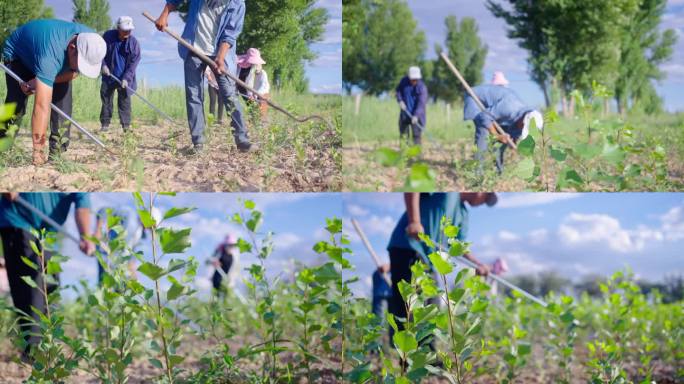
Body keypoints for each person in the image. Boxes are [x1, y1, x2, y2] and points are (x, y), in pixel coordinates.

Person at [386, 192, 496, 338]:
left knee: (432, 307)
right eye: (485, 197)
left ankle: (427, 357)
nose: (483, 202)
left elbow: (459, 247)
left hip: (428, 259)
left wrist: (478, 265)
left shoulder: (463, 214)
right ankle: (407, 358)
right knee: (408, 305)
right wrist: (415, 221)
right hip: (408, 246)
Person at [0, 192, 94, 358]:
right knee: (32, 287)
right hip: (18, 220)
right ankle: (33, 353)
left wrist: (85, 237)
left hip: (48, 233)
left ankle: (48, 344)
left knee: (51, 285)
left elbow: (82, 204)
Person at [155, 0, 254, 154]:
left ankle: (242, 140)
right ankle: (199, 142)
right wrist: (164, 14)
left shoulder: (237, 3)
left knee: (229, 94)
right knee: (194, 95)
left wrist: (220, 57)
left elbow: (230, 33)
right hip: (193, 46)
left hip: (221, 53)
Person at [1, 19, 106, 165]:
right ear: (71, 48)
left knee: (63, 102)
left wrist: (41, 81)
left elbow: (75, 72)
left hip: (48, 57)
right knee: (15, 105)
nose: (81, 68)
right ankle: (3, 147)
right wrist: (37, 151)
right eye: (81, 63)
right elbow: (41, 107)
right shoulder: (50, 55)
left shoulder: (92, 42)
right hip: (19, 57)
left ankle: (57, 153)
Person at [463, 84, 544, 174]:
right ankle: (477, 174)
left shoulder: (522, 115)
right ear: (523, 121)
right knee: (484, 131)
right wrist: (497, 136)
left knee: (504, 137)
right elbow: (484, 117)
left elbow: (515, 131)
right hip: (476, 98)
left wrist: (513, 141)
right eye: (524, 127)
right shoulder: (510, 107)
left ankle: (499, 170)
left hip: (492, 110)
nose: (522, 130)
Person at [100, 16, 141, 133]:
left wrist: (126, 78)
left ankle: (126, 127)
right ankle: (105, 125)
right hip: (109, 76)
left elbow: (133, 64)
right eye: (125, 30)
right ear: (118, 28)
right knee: (106, 100)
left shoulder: (134, 43)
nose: (128, 32)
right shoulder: (108, 36)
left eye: (130, 30)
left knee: (124, 102)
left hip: (125, 78)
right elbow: (100, 52)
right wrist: (103, 65)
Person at [93, 206, 146, 285]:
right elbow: (103, 211)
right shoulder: (129, 214)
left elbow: (131, 255)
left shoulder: (139, 233)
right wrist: (98, 231)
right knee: (104, 285)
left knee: (120, 291)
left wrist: (134, 274)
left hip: (120, 267)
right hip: (106, 256)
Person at [396, 66, 428, 145]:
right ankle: (404, 155)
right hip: (405, 113)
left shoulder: (422, 88)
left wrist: (416, 115)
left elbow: (421, 103)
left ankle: (416, 156)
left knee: (416, 136)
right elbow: (398, 91)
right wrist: (400, 101)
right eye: (412, 79)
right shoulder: (404, 81)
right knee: (404, 135)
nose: (414, 81)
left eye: (416, 79)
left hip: (417, 116)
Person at [237, 48, 270, 123]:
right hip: (254, 93)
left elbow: (263, 87)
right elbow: (249, 84)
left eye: (258, 66)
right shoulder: (252, 73)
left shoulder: (263, 74)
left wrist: (255, 94)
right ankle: (253, 120)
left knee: (263, 108)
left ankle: (262, 121)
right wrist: (250, 94)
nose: (257, 68)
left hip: (263, 93)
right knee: (252, 106)